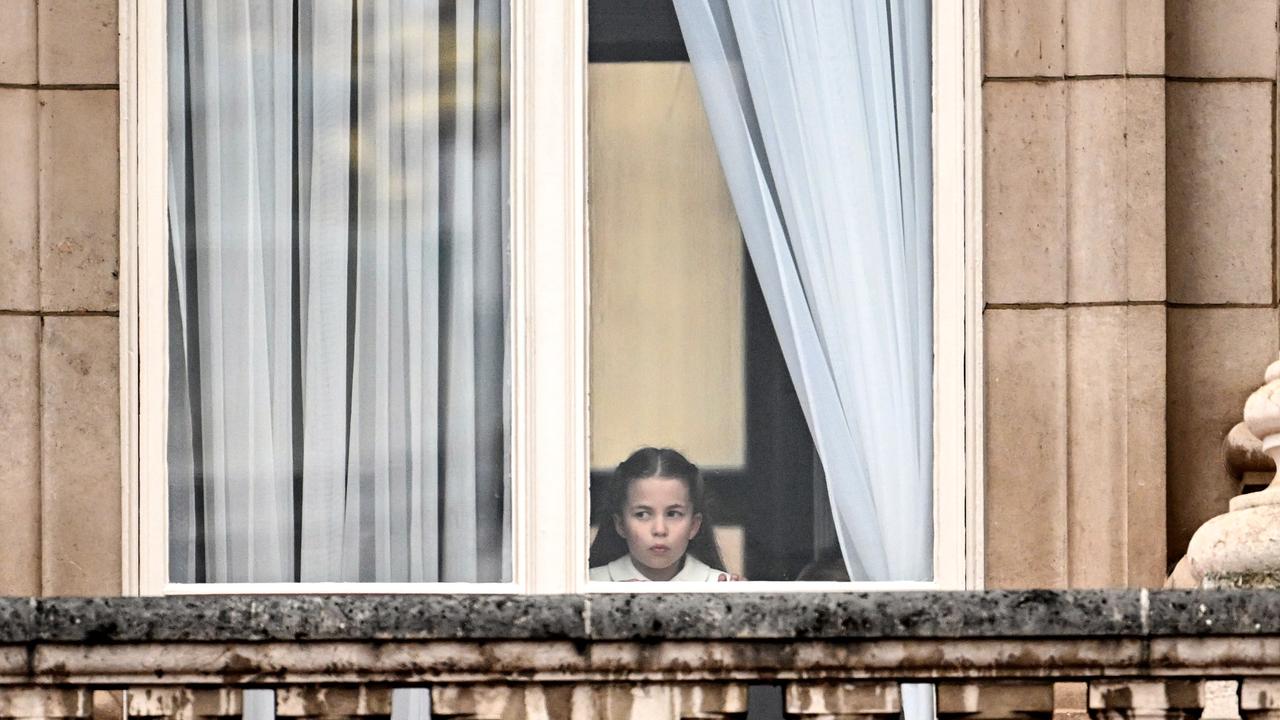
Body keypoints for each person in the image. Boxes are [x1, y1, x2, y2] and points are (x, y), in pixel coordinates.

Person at [589, 447, 740, 582]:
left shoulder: (718, 585)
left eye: (673, 514)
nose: (660, 530)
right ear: (621, 525)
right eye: (642, 514)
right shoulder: (592, 585)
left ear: (694, 525)